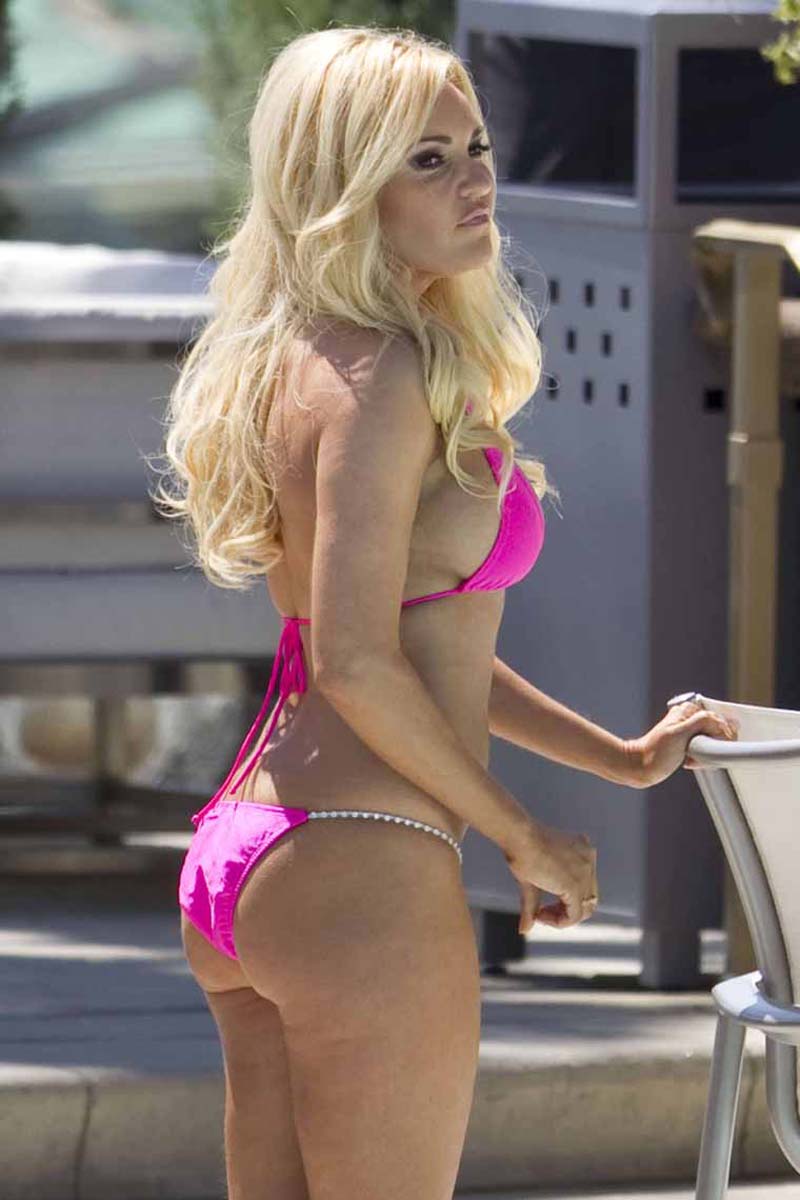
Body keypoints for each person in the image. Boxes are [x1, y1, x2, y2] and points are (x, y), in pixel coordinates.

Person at [152, 25, 739, 1200]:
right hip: (356, 869)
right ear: (342, 185)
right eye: (425, 159)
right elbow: (357, 660)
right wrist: (521, 833)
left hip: (249, 854)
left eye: (474, 147)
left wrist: (620, 759)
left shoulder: (296, 357)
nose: (474, 179)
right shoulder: (383, 374)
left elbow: (413, 645)